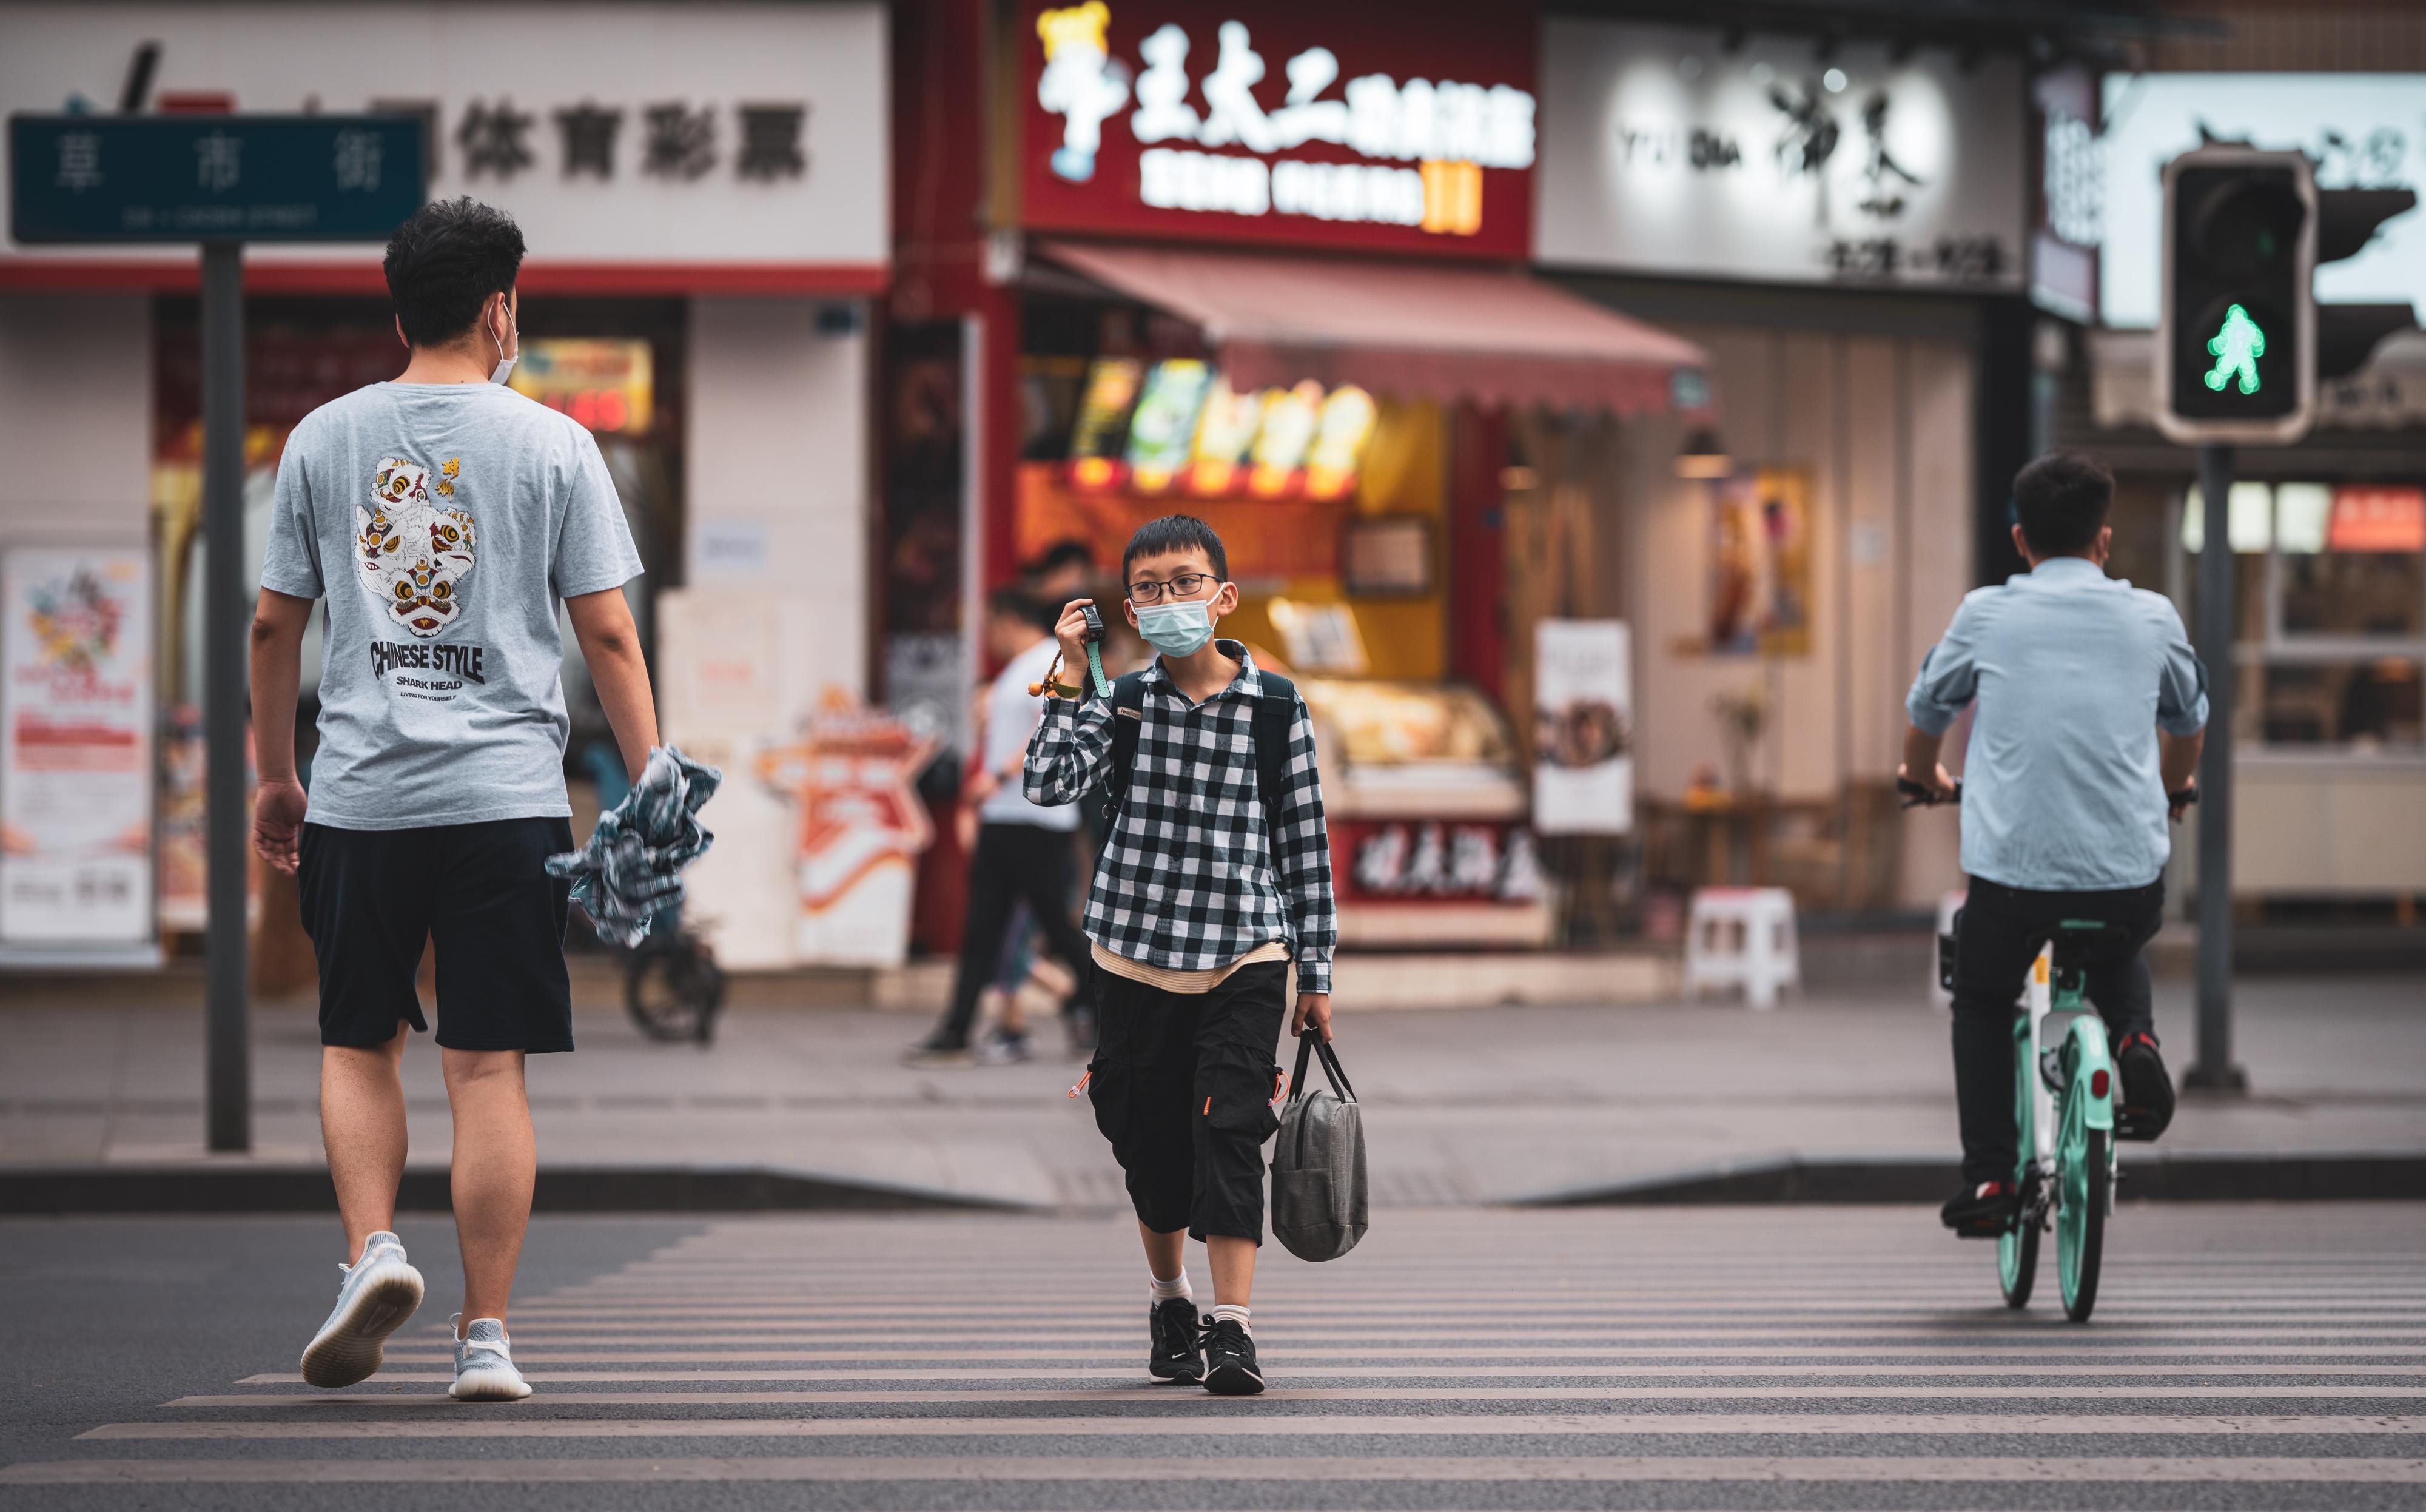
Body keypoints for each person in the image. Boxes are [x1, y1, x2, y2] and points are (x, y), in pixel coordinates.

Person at [250, 197, 656, 1401]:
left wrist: (281, 773)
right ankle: (486, 1339)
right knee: (486, 1069)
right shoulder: (552, 444)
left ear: (396, 307)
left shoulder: (323, 438)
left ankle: (373, 1249)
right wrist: (652, 785)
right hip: (505, 802)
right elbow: (611, 636)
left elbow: (277, 621)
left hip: (365, 798)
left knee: (356, 1036)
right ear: (500, 307)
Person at [1024, 514, 1337, 1396]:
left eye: (1186, 581)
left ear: (1223, 595)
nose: (1170, 599)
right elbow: (1046, 783)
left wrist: (1315, 972)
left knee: (1232, 1126)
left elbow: (1303, 844)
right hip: (1134, 954)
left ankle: (1232, 1329)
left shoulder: (1277, 707)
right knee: (1149, 1145)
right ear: (1131, 605)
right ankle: (1172, 1300)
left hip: (1246, 950)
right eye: (1152, 588)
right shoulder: (1120, 700)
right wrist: (1072, 668)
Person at [1901, 452, 2207, 1237]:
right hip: (2124, 875)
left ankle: (1995, 1179)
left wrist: (1919, 773)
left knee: (1981, 991)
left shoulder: (1987, 614)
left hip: (2014, 883)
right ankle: (2135, 1038)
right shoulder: (2153, 617)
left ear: (2019, 540)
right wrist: (2174, 790)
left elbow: (1929, 710)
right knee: (2119, 935)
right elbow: (2188, 721)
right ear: (2104, 542)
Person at [908, 587, 1094, 1063]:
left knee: (1056, 924)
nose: (990, 636)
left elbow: (1050, 724)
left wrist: (1000, 776)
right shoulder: (1019, 668)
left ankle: (1103, 1004)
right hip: (1005, 819)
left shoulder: (1048, 662)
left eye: (991, 625)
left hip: (1036, 817)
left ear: (1007, 619)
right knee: (983, 928)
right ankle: (956, 1029)